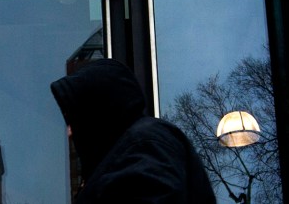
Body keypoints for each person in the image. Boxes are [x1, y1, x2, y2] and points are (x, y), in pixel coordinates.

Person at [50, 58, 216, 204]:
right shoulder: (140, 145)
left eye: (74, 119)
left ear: (97, 108)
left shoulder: (146, 141)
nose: (70, 132)